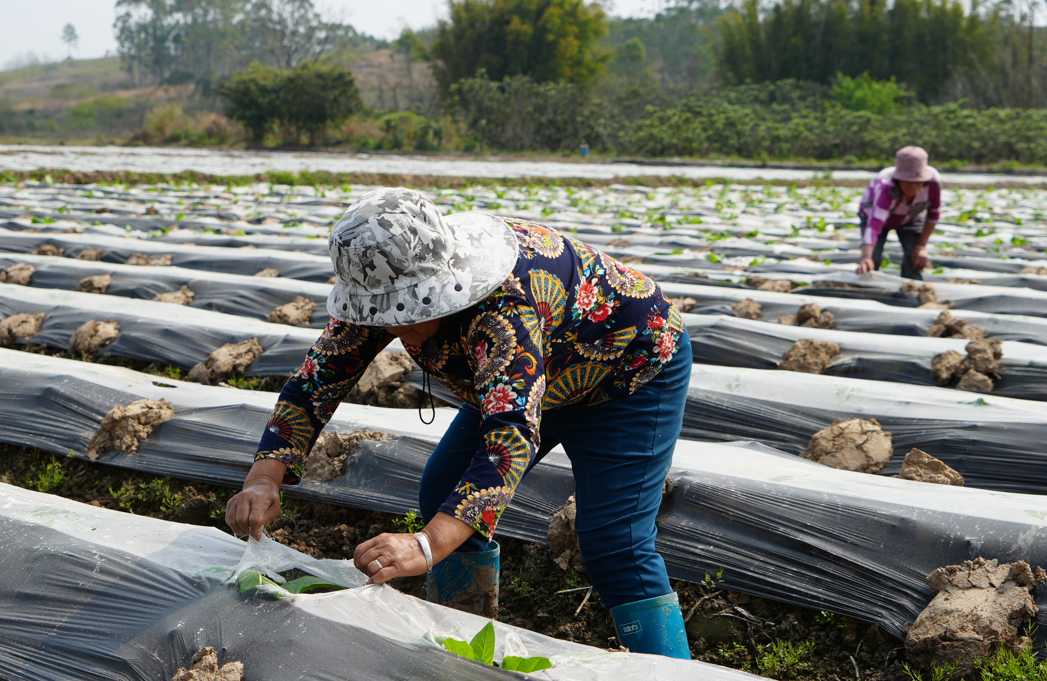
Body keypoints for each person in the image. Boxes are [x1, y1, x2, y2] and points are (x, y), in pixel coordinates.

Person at [225, 187, 694, 658]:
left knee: (615, 541)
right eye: (383, 314)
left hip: (625, 375)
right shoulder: (378, 280)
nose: (392, 327)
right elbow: (315, 383)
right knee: (442, 489)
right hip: (515, 382)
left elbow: (510, 435)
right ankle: (464, 648)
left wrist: (427, 545)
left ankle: (673, 671)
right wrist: (264, 478)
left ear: (441, 286)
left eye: (406, 310)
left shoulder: (503, 307)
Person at [855, 146, 941, 280]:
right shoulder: (887, 188)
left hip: (911, 217)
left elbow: (934, 214)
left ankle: (910, 292)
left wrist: (921, 246)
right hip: (876, 218)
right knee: (873, 259)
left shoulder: (933, 183)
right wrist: (866, 257)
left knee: (915, 258)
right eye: (907, 181)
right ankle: (867, 289)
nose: (912, 186)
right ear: (898, 179)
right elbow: (875, 224)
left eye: (917, 181)